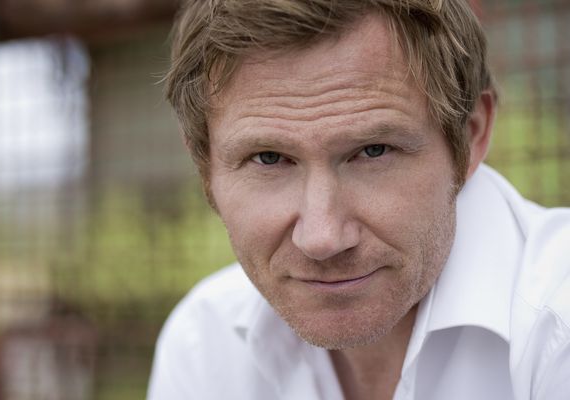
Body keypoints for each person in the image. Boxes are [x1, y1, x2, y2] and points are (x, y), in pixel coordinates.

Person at [148, 1, 570, 399]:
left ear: (472, 135)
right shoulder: (205, 343)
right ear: (204, 165)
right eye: (269, 158)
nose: (323, 238)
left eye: (373, 151)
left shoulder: (557, 326)